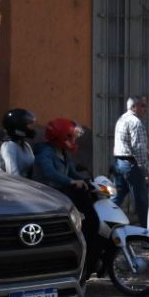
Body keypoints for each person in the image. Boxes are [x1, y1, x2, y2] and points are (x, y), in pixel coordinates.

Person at [34, 117, 102, 275]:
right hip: (50, 195)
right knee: (88, 221)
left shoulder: (63, 153)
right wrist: (72, 181)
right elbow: (50, 173)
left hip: (63, 193)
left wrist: (88, 182)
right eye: (70, 136)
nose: (73, 139)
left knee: (91, 217)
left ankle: (90, 261)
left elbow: (73, 171)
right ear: (60, 137)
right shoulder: (45, 153)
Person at [112, 96, 149, 222]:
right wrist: (144, 171)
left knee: (117, 196)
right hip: (130, 164)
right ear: (134, 107)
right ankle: (148, 230)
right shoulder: (136, 123)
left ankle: (103, 220)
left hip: (119, 163)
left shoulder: (122, 119)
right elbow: (138, 149)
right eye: (143, 106)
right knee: (141, 198)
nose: (145, 109)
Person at [0, 108, 37, 178]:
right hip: (7, 186)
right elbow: (13, 175)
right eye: (29, 125)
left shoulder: (26, 146)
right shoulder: (8, 147)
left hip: (26, 185)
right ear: (19, 127)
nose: (32, 128)